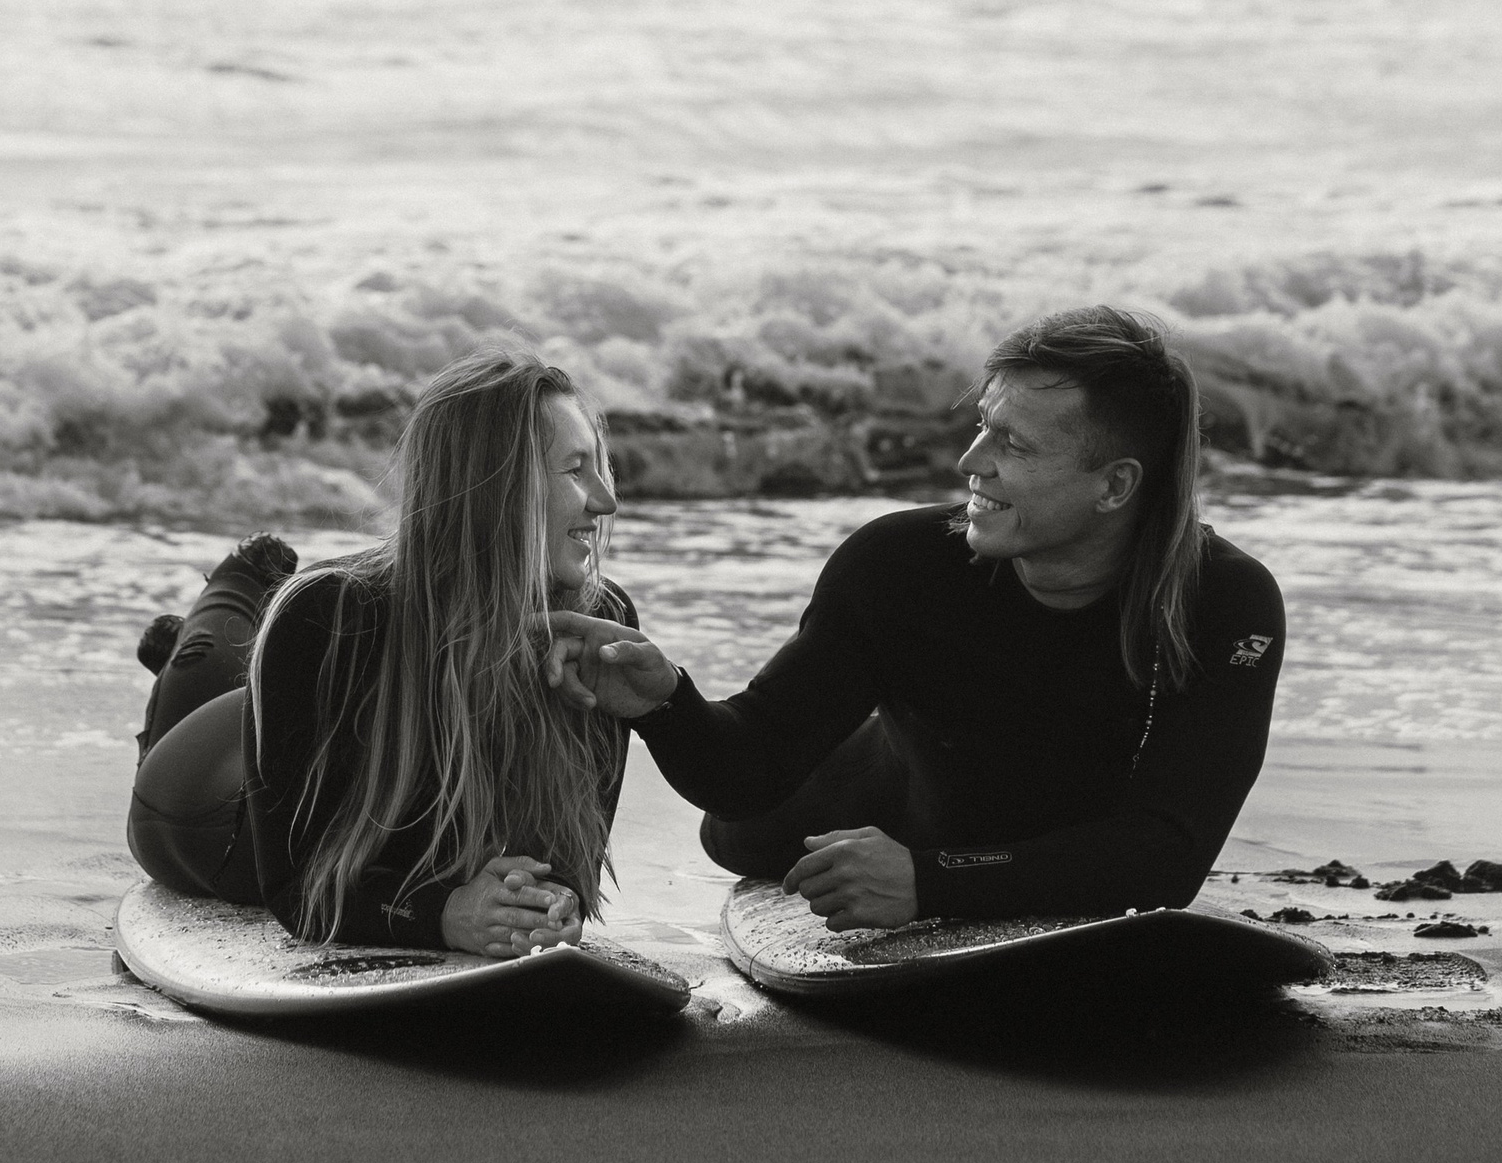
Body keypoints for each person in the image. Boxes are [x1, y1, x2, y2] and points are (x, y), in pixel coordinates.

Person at [545, 306, 1281, 929]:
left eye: (1013, 445)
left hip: (1015, 842)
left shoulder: (1227, 603)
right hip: (878, 802)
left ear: (1114, 486)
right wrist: (665, 702)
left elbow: (1168, 856)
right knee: (736, 833)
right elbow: (750, 769)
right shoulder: (899, 566)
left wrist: (930, 882)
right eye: (984, 424)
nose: (971, 460)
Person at [126, 349, 634, 959]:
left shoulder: (602, 625)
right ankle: (237, 581)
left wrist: (551, 906)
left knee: (247, 665)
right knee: (209, 662)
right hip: (213, 811)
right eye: (576, 471)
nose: (605, 503)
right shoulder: (325, 617)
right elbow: (294, 887)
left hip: (312, 709)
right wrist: (441, 914)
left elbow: (571, 863)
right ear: (495, 484)